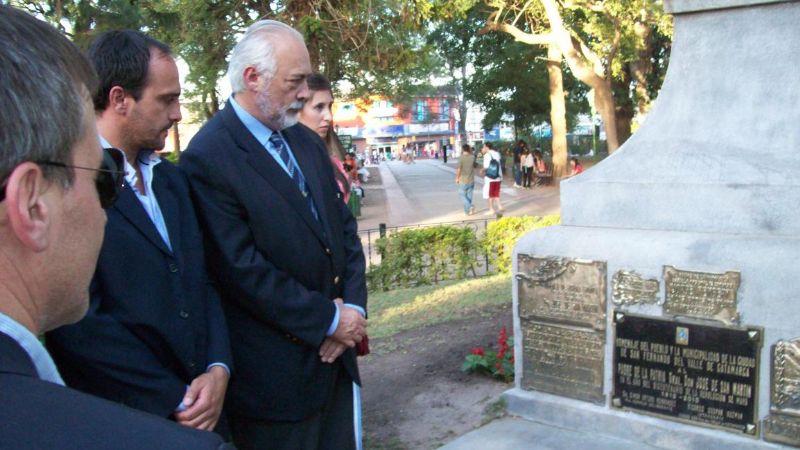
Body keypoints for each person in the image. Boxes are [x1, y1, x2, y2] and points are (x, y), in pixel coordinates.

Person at [0, 6, 230, 448]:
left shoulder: (173, 181)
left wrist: (218, 368)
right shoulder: (38, 419)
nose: (178, 114)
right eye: (98, 180)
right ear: (31, 203)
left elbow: (202, 280)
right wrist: (172, 399)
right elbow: (85, 326)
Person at [180, 20, 368, 450]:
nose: (304, 93)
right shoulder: (208, 157)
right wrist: (328, 320)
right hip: (277, 384)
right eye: (294, 81)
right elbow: (241, 270)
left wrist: (353, 312)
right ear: (253, 78)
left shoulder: (304, 141)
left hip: (336, 364)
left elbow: (343, 230)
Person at [298, 72, 351, 203]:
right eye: (319, 107)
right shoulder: (287, 162)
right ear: (296, 109)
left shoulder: (331, 160)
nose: (329, 117)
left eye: (329, 106)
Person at [481, 142, 504, 216]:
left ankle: (491, 209)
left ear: (487, 147)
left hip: (490, 177)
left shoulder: (487, 155)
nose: (483, 148)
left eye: (484, 147)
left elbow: (486, 166)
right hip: (498, 176)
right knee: (496, 192)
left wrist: (482, 170)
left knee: (490, 194)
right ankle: (499, 206)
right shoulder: (497, 153)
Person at [455, 144, 476, 215]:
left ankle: (470, 206)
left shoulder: (461, 158)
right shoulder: (472, 157)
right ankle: (467, 212)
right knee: (469, 196)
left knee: (462, 195)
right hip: (471, 179)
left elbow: (459, 169)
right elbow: (475, 166)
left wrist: (457, 178)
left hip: (463, 180)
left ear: (462, 149)